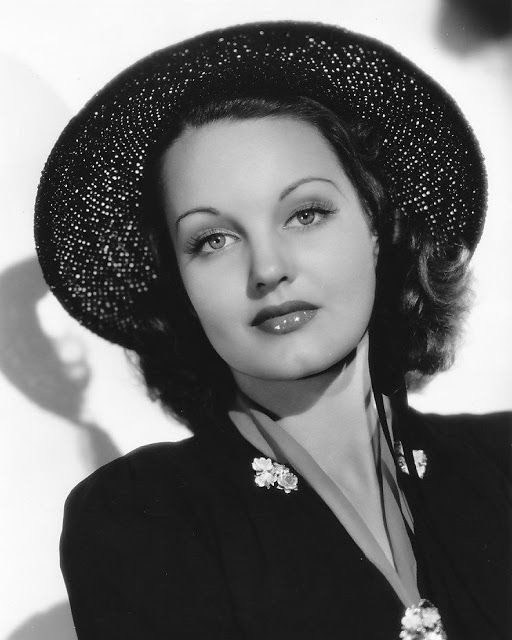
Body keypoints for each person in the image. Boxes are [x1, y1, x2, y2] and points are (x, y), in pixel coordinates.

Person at [34, 21, 511, 640]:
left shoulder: (503, 463)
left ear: (375, 225)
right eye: (213, 240)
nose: (267, 269)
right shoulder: (140, 518)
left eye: (305, 213)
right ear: (178, 280)